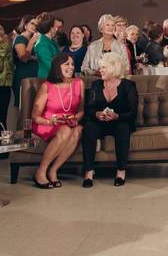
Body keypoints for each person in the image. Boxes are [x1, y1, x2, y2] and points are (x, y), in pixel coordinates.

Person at [81, 52, 138, 187]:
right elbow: (89, 108)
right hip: (100, 122)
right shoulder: (96, 84)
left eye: (104, 67)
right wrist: (97, 114)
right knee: (89, 128)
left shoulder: (128, 85)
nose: (100, 70)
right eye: (100, 67)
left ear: (114, 68)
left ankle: (121, 172)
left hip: (120, 121)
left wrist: (117, 116)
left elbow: (132, 112)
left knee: (123, 128)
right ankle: (89, 172)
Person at [30, 54, 83, 188]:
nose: (71, 67)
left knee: (78, 130)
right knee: (65, 131)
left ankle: (53, 170)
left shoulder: (78, 83)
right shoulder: (47, 86)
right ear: (57, 67)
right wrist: (50, 122)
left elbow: (82, 110)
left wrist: (75, 118)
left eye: (72, 64)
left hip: (68, 122)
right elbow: (35, 116)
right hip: (46, 122)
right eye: (67, 64)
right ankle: (41, 172)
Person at [11, 15, 38, 107]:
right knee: (25, 110)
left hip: (35, 78)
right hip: (23, 77)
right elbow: (23, 57)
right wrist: (31, 42)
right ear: (25, 25)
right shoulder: (20, 38)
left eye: (36, 24)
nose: (34, 26)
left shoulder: (35, 40)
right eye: (32, 23)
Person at [33, 14, 60, 80]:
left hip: (55, 77)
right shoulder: (41, 44)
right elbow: (50, 65)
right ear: (50, 28)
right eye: (55, 26)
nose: (56, 28)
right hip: (47, 79)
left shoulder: (52, 41)